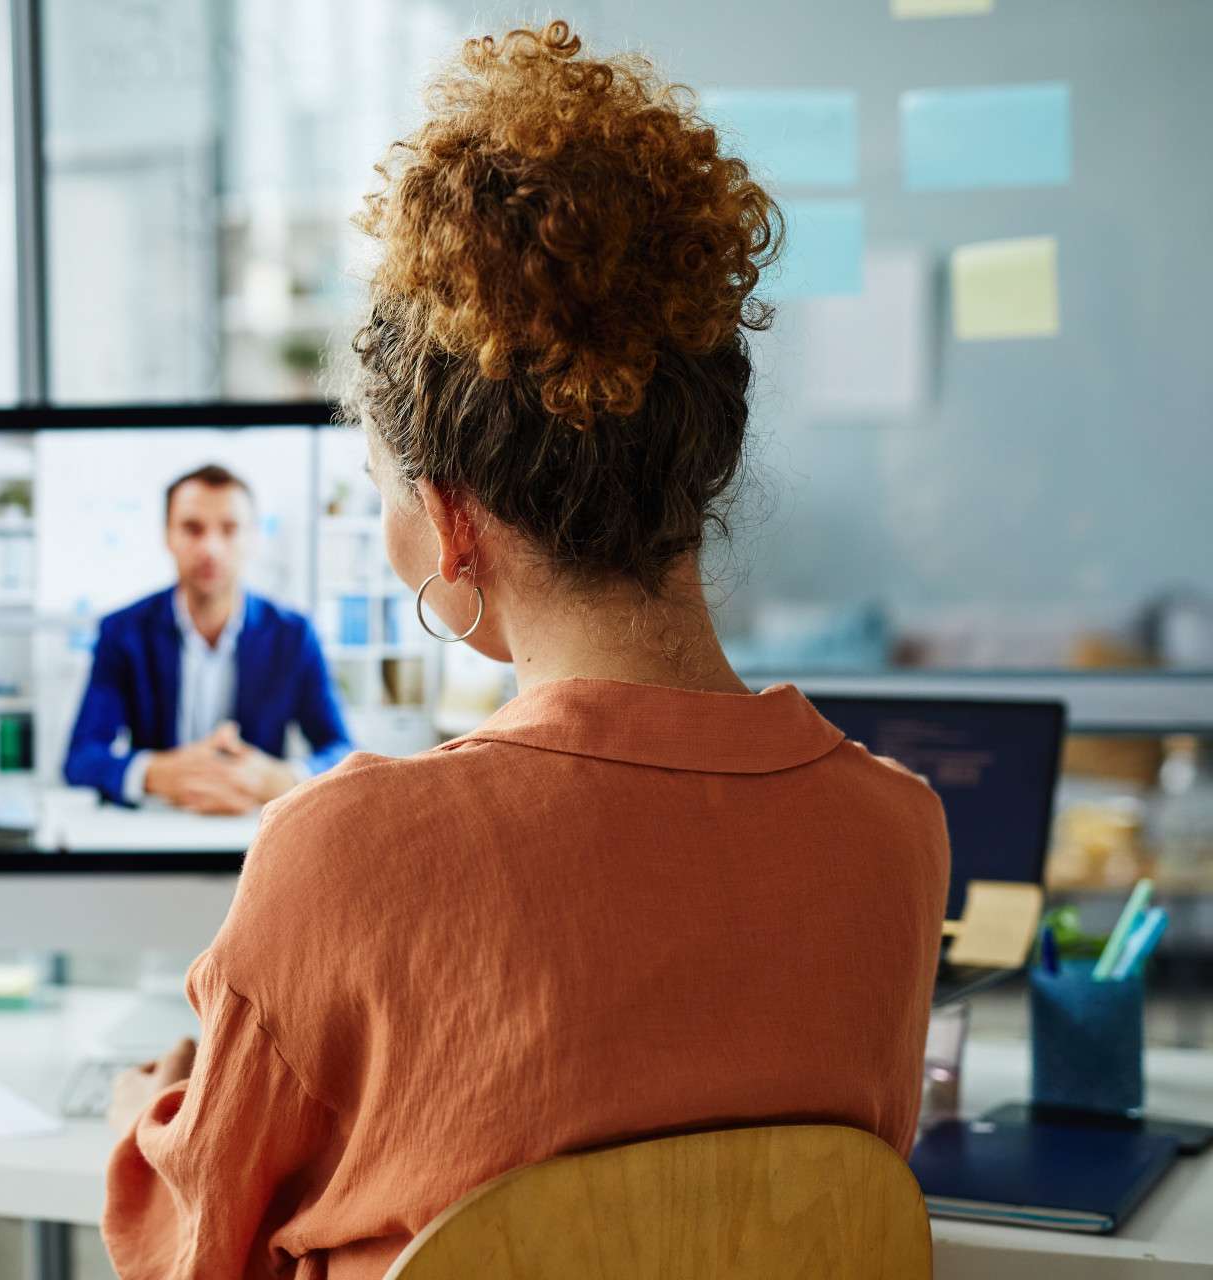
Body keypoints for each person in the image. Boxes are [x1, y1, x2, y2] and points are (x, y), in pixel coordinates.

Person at [101, 22, 950, 1280]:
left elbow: (191, 1252)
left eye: (385, 491)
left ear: (448, 518)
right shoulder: (896, 836)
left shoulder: (340, 858)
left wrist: (139, 1120)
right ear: (701, 458)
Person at [63, 463, 353, 814]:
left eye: (229, 529)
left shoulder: (293, 635)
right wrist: (157, 772)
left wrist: (281, 777)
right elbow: (81, 756)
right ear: (167, 535)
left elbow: (341, 749)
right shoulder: (123, 631)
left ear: (252, 538)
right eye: (192, 528)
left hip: (257, 828)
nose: (211, 547)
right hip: (158, 830)